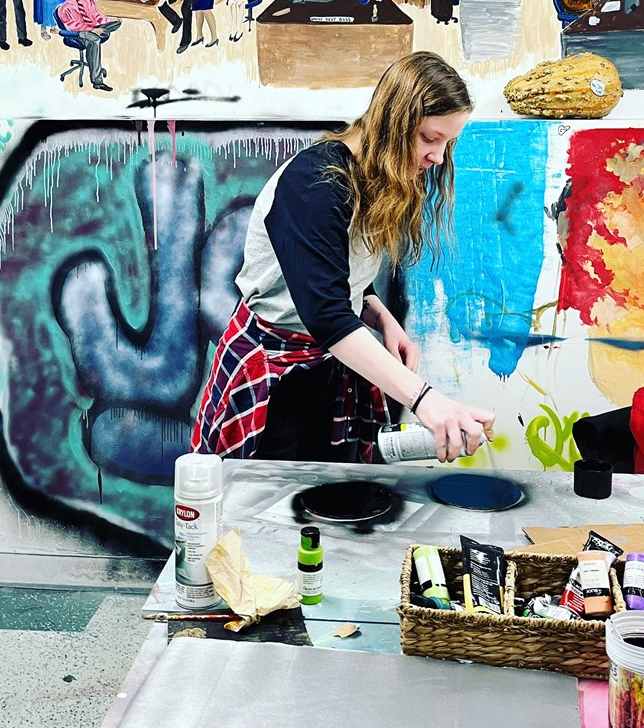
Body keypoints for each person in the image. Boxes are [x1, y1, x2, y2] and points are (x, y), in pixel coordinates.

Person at [192, 52, 495, 463]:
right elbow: (327, 314)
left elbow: (334, 270)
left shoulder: (377, 175)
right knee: (263, 510)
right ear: (394, 121)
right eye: (430, 138)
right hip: (272, 374)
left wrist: (377, 314)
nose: (438, 158)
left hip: (326, 366)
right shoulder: (314, 183)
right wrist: (424, 399)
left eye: (448, 143)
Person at [56, 0, 122, 91]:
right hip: (78, 34)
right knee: (94, 40)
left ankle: (100, 32)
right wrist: (91, 29)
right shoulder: (63, 8)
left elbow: (98, 17)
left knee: (116, 22)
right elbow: (72, 26)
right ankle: (97, 81)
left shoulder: (88, 2)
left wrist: (109, 20)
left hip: (94, 29)